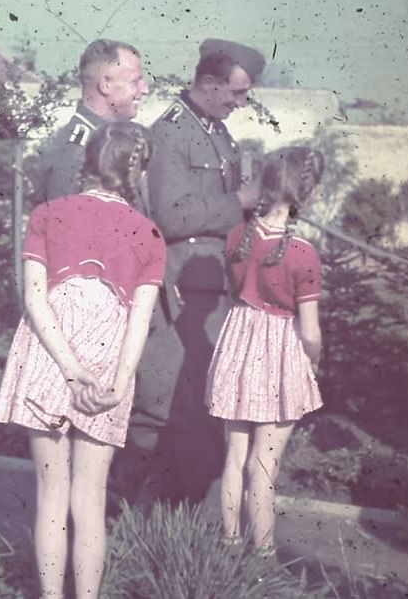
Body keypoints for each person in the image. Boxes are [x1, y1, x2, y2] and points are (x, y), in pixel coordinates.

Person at [0, 121, 165, 599]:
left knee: (51, 495)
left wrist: (70, 369)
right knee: (90, 500)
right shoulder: (149, 234)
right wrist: (118, 381)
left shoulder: (48, 214)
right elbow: (140, 322)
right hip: (110, 364)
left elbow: (34, 298)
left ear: (87, 162)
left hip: (50, 354)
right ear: (139, 173)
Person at [121, 38, 267, 503]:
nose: (240, 103)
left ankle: (174, 517)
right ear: (209, 83)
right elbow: (171, 216)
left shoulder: (215, 130)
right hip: (184, 282)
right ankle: (121, 511)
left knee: (200, 405)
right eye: (236, 93)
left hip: (212, 282)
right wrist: (238, 203)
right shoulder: (172, 132)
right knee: (163, 405)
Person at [205, 146, 325, 553]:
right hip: (279, 356)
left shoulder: (238, 236)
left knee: (234, 456)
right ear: (309, 191)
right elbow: (310, 332)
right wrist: (313, 360)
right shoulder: (303, 253)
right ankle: (263, 555)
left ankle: (230, 542)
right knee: (265, 465)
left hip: (238, 345)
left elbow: (238, 289)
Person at [41, 39, 150, 203]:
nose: (145, 90)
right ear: (105, 85)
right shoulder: (76, 153)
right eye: (134, 82)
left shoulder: (108, 140)